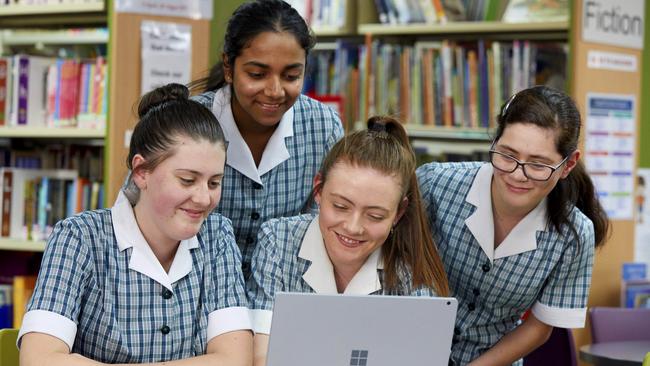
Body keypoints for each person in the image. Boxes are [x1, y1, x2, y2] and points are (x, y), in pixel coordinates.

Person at [18, 84, 253, 366]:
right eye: (187, 180)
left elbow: (235, 359)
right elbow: (39, 358)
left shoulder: (218, 236)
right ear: (142, 172)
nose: (204, 198)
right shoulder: (80, 238)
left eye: (214, 182)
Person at [416, 85, 609, 366]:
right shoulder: (435, 184)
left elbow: (539, 328)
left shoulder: (574, 235)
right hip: (412, 349)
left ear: (568, 165)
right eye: (507, 155)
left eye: (539, 165)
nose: (518, 175)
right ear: (494, 142)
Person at [247, 116, 450, 366]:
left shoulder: (411, 270)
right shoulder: (278, 241)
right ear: (319, 190)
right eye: (341, 206)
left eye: (375, 216)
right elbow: (262, 356)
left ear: (398, 213)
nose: (353, 227)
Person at [190, 0, 344, 277]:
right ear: (229, 66)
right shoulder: (186, 123)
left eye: (291, 76)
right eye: (257, 74)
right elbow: (140, 217)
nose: (275, 91)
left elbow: (328, 225)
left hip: (285, 288)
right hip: (197, 289)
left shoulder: (323, 127)